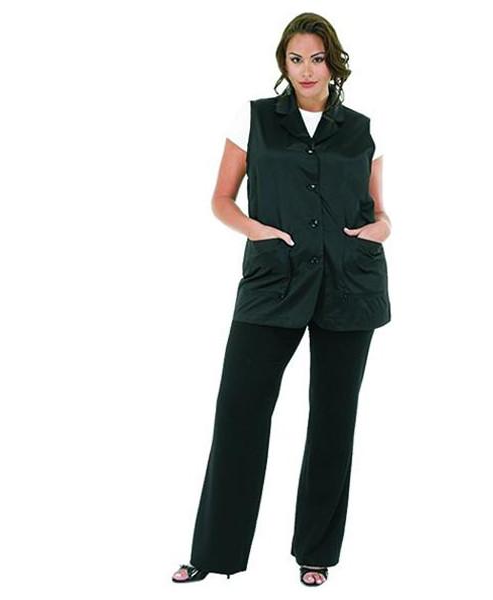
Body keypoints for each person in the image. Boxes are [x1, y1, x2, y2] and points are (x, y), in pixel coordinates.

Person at [171, 12, 392, 587]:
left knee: (333, 420)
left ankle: (315, 553)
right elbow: (222, 199)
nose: (306, 70)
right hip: (274, 281)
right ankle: (213, 552)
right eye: (296, 59)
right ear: (283, 64)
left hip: (349, 284)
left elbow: (378, 208)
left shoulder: (364, 128)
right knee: (239, 412)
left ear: (333, 63)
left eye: (317, 59)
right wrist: (257, 231)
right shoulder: (253, 120)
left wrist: (383, 228)